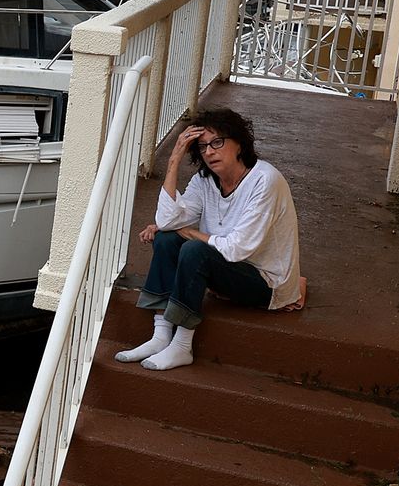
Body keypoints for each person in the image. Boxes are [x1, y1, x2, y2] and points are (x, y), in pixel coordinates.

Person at [116, 107, 304, 371]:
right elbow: (168, 222)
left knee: (194, 250)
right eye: (202, 147)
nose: (209, 152)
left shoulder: (265, 181)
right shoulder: (205, 180)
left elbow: (236, 249)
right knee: (167, 239)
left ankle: (182, 345)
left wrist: (191, 232)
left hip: (265, 283)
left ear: (239, 142)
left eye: (217, 142)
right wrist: (173, 161)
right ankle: (161, 335)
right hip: (228, 270)